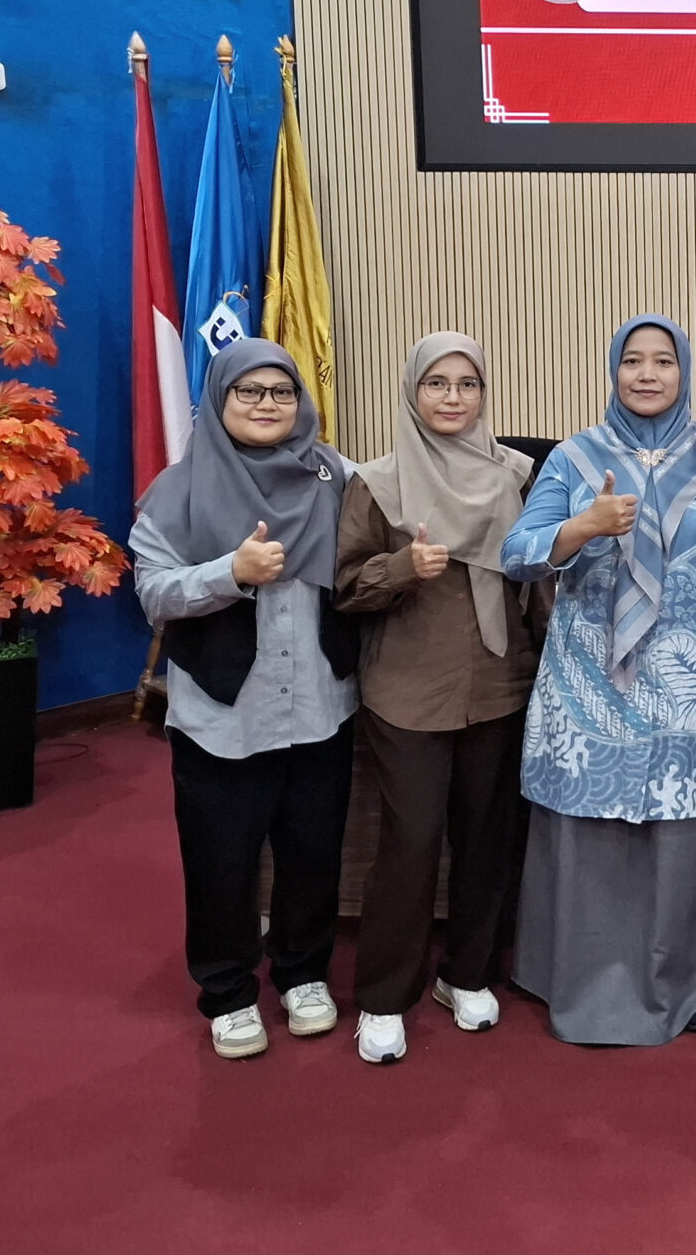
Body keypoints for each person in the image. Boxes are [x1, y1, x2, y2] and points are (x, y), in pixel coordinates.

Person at [499, 316, 696, 1045]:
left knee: (685, 824)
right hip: (591, 674)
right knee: (592, 826)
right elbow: (517, 554)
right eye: (632, 361)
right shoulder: (574, 458)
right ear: (613, 370)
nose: (648, 374)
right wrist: (583, 526)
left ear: (685, 372)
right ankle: (586, 981)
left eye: (663, 361)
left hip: (693, 675)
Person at [130, 338, 356, 1061]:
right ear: (219, 400)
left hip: (320, 707)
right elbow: (153, 594)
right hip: (223, 716)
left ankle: (302, 973)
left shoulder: (336, 476)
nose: (267, 405)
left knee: (313, 852)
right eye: (249, 392)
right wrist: (230, 571)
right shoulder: (178, 490)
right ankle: (227, 992)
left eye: (281, 392)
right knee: (220, 862)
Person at [334, 332, 542, 1065]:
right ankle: (385, 995)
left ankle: (467, 974)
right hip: (408, 691)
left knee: (487, 838)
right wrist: (402, 567)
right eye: (437, 383)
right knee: (412, 841)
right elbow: (347, 588)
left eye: (467, 384)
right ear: (412, 392)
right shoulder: (377, 483)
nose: (453, 397)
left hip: (499, 682)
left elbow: (539, 577)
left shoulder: (518, 475)